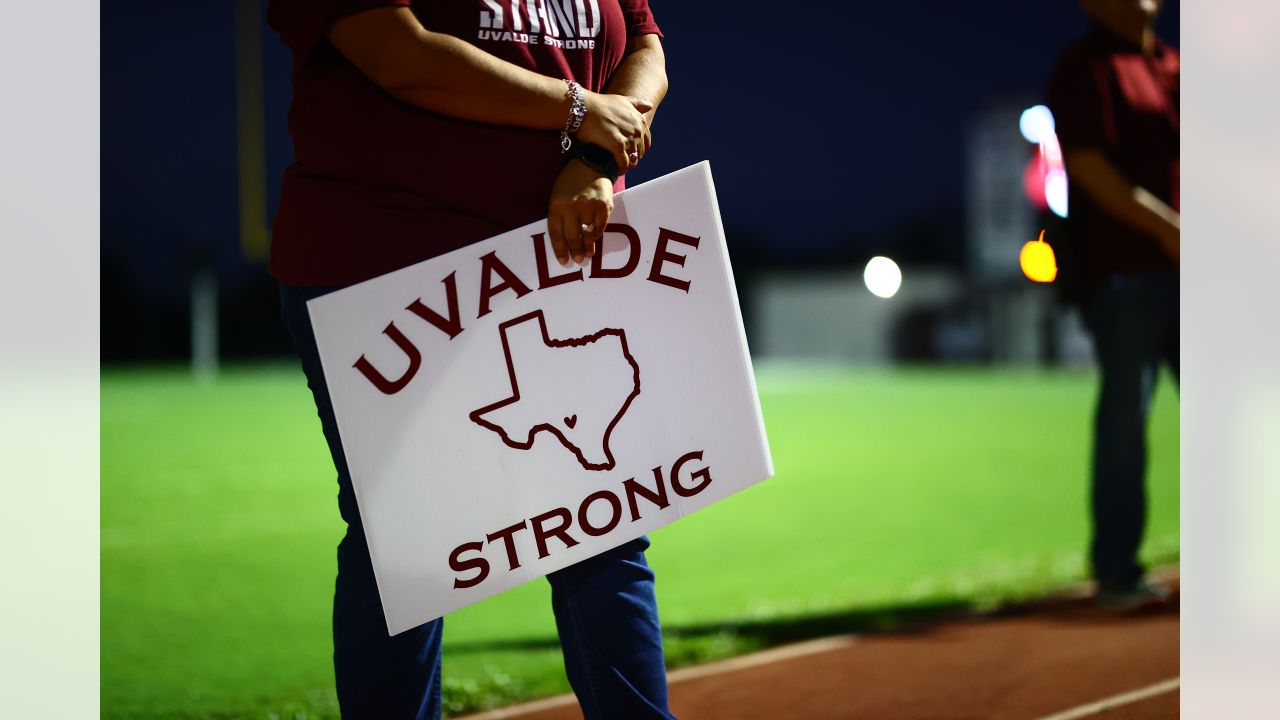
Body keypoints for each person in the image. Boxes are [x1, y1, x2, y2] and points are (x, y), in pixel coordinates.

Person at [266, 1, 672, 717]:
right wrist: (579, 111)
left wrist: (595, 158)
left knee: (602, 520)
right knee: (407, 542)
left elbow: (643, 44)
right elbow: (400, 55)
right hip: (392, 256)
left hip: (556, 253)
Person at [1047, 0, 1179, 611]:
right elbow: (1090, 167)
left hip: (1201, 271)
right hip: (1128, 271)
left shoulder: (1177, 64)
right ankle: (1118, 569)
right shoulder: (1085, 67)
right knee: (1127, 415)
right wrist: (1170, 230)